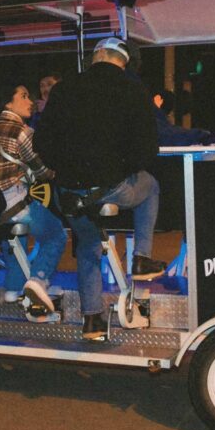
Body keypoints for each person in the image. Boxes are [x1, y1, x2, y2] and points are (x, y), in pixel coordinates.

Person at [34, 37, 168, 341]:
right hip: (111, 188)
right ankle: (142, 257)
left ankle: (92, 320)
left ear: (95, 57)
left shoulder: (63, 89)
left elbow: (42, 142)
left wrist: (64, 170)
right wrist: (125, 167)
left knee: (88, 246)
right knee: (151, 185)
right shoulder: (133, 89)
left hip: (69, 192)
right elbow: (147, 148)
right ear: (124, 61)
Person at [0, 83, 67, 310]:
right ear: (8, 102)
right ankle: (38, 280)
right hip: (16, 203)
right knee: (56, 235)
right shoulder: (22, 132)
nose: (30, 101)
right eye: (24, 96)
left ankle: (13, 288)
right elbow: (43, 171)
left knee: (13, 236)